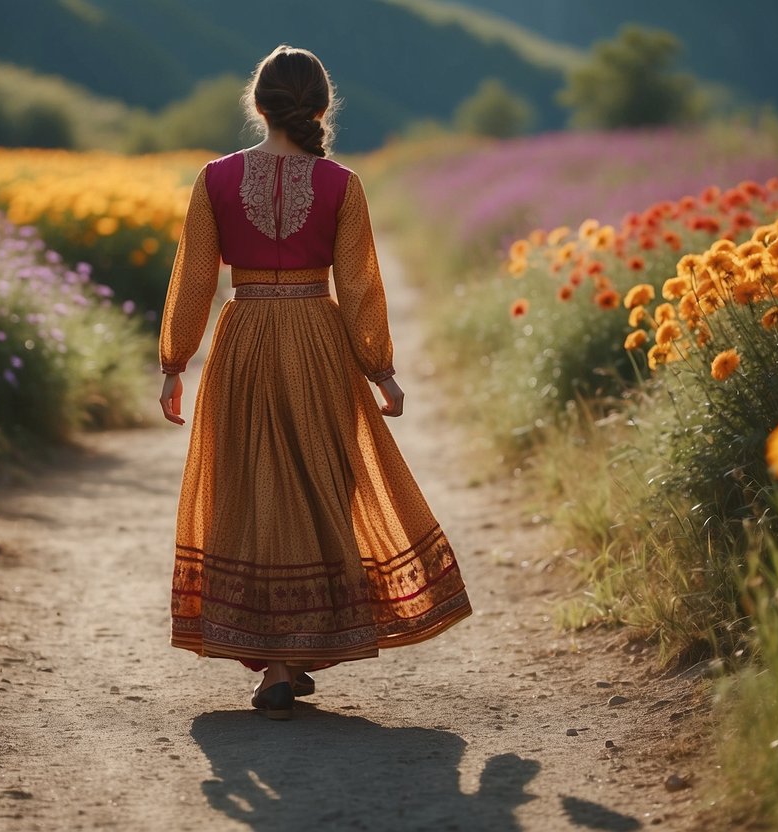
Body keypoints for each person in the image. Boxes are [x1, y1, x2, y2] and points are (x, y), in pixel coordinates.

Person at [158, 45, 472, 720]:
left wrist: (173, 364)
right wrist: (380, 369)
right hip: (317, 343)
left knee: (251, 486)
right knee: (326, 481)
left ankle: (277, 656)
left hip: (243, 340)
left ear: (257, 104)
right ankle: (288, 654)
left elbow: (192, 282)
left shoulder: (213, 180)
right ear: (321, 107)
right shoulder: (341, 185)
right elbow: (358, 287)